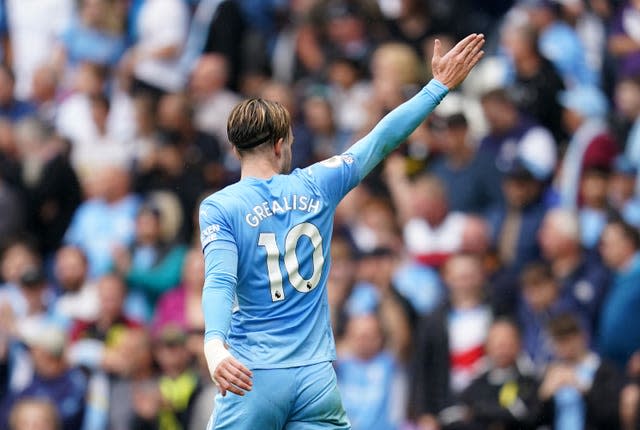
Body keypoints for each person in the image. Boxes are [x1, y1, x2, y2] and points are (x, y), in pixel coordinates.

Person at [198, 33, 485, 429]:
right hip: (316, 377)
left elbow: (219, 281)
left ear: (235, 149)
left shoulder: (220, 207)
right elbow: (382, 139)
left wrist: (214, 346)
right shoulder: (318, 184)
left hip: (253, 374)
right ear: (281, 145)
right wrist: (438, 87)